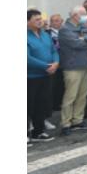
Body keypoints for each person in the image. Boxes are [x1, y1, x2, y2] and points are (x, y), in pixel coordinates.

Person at [58, 5, 87, 134]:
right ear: (75, 15)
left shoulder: (83, 27)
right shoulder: (65, 29)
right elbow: (77, 44)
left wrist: (85, 39)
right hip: (73, 66)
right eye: (84, 14)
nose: (86, 16)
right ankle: (66, 123)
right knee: (71, 95)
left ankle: (77, 120)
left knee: (82, 95)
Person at [28, 9, 59, 143]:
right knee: (27, 105)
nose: (40, 21)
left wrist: (56, 62)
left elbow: (53, 50)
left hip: (46, 76)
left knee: (41, 104)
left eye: (40, 19)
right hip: (30, 77)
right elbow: (27, 58)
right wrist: (46, 66)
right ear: (27, 21)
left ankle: (38, 132)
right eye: (36, 19)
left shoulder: (45, 35)